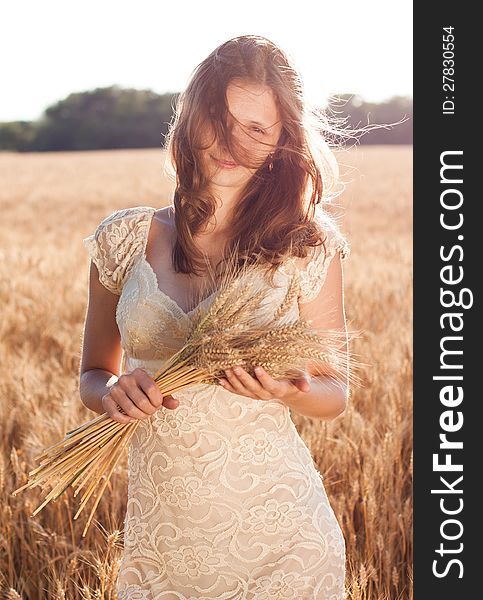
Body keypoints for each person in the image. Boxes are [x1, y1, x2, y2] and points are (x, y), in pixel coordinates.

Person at [80, 34, 351, 600]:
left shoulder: (306, 246)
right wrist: (112, 392)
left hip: (286, 546)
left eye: (257, 129)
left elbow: (334, 392)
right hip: (161, 546)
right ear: (191, 117)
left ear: (282, 142)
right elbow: (92, 373)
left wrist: (286, 389)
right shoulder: (125, 239)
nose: (233, 144)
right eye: (221, 120)